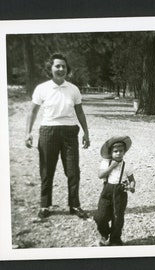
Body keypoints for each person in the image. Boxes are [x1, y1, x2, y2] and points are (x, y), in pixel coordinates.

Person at [25, 53, 90, 219]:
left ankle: (74, 205)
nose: (61, 69)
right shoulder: (42, 88)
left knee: (73, 171)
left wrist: (86, 133)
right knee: (47, 171)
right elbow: (32, 111)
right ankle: (45, 205)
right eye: (57, 66)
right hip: (48, 132)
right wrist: (28, 133)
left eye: (64, 66)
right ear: (50, 68)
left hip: (70, 132)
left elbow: (80, 112)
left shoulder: (73, 89)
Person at [94, 136, 136, 246]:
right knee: (100, 217)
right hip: (107, 191)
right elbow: (100, 175)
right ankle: (105, 233)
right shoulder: (106, 163)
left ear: (124, 152)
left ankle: (115, 239)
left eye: (121, 151)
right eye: (115, 151)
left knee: (118, 218)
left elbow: (132, 180)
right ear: (110, 152)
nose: (118, 153)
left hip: (120, 193)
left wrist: (131, 187)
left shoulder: (127, 166)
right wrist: (112, 166)